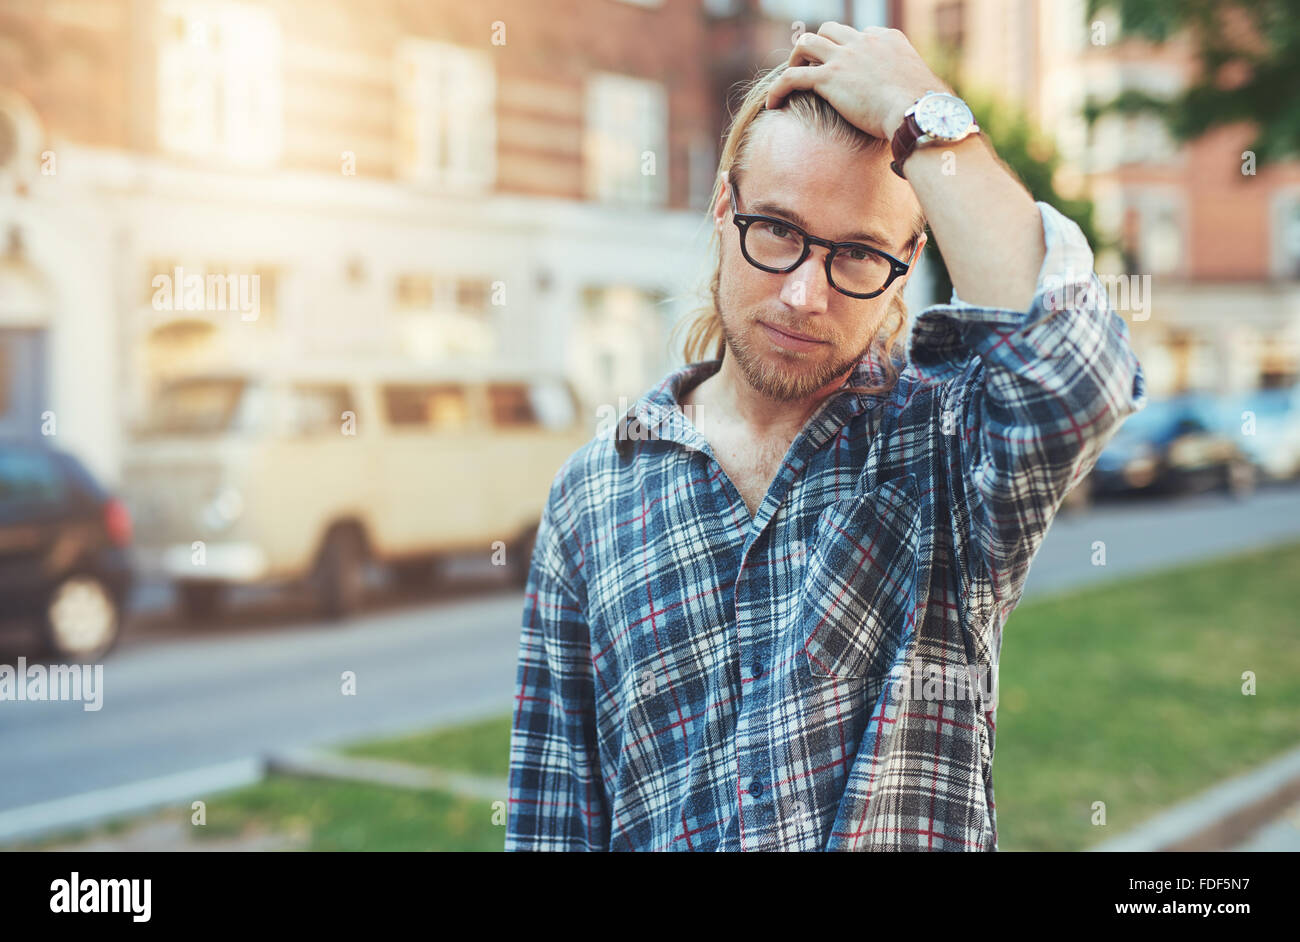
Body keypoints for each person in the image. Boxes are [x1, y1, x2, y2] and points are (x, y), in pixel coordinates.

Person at [506, 23, 1145, 851]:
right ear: (723, 208)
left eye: (856, 254)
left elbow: (1073, 375)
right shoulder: (595, 492)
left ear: (906, 265)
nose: (806, 294)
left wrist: (920, 108)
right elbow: (556, 821)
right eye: (776, 230)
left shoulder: (945, 445)